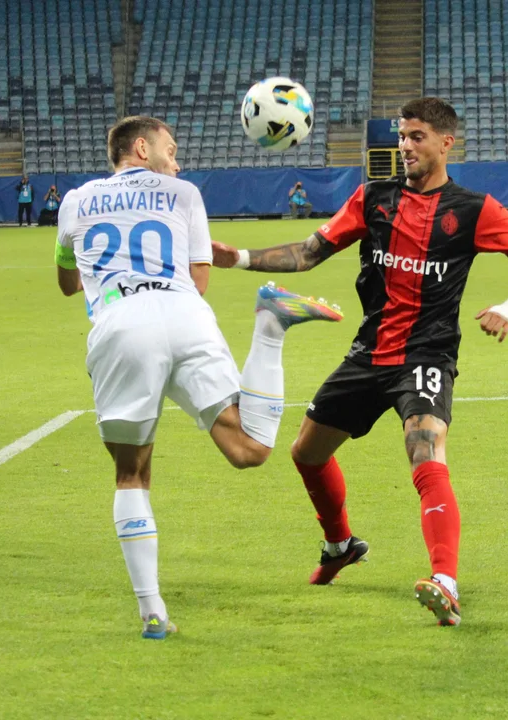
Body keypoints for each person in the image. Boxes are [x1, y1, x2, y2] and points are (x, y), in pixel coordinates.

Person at [211, 97, 508, 627]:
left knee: (425, 448)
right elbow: (309, 252)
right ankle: (340, 545)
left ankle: (445, 582)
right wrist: (238, 258)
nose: (405, 146)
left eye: (417, 137)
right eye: (402, 136)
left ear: (446, 143)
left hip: (427, 353)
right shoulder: (374, 197)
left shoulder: (473, 209)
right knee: (306, 453)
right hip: (369, 352)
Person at [55, 115, 345, 640]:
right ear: (140, 148)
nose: (177, 161)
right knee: (250, 448)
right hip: (185, 314)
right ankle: (270, 326)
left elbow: (67, 282)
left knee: (131, 474)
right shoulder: (184, 194)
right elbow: (200, 280)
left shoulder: (75, 200)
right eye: (170, 149)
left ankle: (152, 611)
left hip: (121, 324)